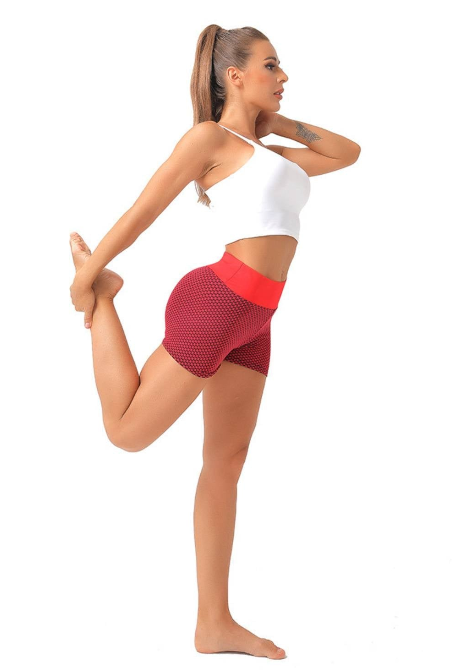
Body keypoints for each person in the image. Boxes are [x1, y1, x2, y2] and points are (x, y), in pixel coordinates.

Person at [69, 25, 360, 660]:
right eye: (271, 66)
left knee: (226, 463)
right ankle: (109, 298)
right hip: (219, 301)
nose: (283, 77)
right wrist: (89, 278)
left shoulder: (270, 151)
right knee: (126, 432)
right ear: (234, 74)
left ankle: (214, 624)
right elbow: (143, 210)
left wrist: (277, 123)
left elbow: (347, 153)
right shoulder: (209, 141)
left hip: (257, 318)